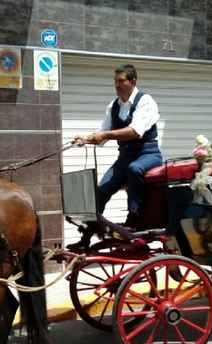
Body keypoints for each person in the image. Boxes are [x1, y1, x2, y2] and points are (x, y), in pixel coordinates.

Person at [69, 64, 163, 249]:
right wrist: (86, 139)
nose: (117, 85)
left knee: (134, 169)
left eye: (121, 81)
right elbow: (102, 133)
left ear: (133, 82)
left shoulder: (146, 101)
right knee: (101, 190)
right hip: (125, 157)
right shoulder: (113, 106)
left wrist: (104, 135)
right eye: (115, 82)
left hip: (148, 154)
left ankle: (135, 218)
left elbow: (135, 131)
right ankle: (86, 237)